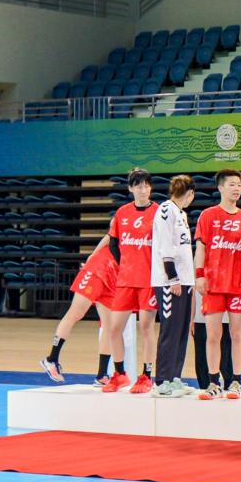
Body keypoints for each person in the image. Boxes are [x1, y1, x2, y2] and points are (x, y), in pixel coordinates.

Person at [195, 169, 241, 400]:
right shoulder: (208, 215)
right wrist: (199, 275)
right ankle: (213, 382)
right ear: (220, 187)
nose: (237, 188)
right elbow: (200, 247)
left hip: (239, 285)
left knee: (238, 333)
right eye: (232, 184)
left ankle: (236, 382)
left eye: (239, 184)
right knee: (213, 334)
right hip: (213, 284)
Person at [101, 167, 159, 394]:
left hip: (149, 281)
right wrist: (124, 264)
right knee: (114, 328)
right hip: (126, 280)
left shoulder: (159, 212)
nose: (143, 190)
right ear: (130, 189)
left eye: (146, 185)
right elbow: (113, 243)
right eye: (138, 186)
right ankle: (120, 374)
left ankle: (147, 376)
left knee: (146, 327)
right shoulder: (122, 213)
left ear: (150, 188)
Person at [39, 240, 117, 384]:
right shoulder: (121, 224)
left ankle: (102, 375)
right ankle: (51, 359)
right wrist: (92, 257)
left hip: (113, 277)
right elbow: (108, 237)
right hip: (98, 268)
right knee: (75, 313)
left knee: (109, 326)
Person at [149, 174, 197, 397]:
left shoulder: (181, 214)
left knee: (181, 331)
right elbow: (165, 246)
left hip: (185, 281)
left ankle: (174, 377)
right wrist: (173, 278)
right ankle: (162, 381)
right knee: (169, 331)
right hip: (170, 282)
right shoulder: (166, 209)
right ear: (190, 194)